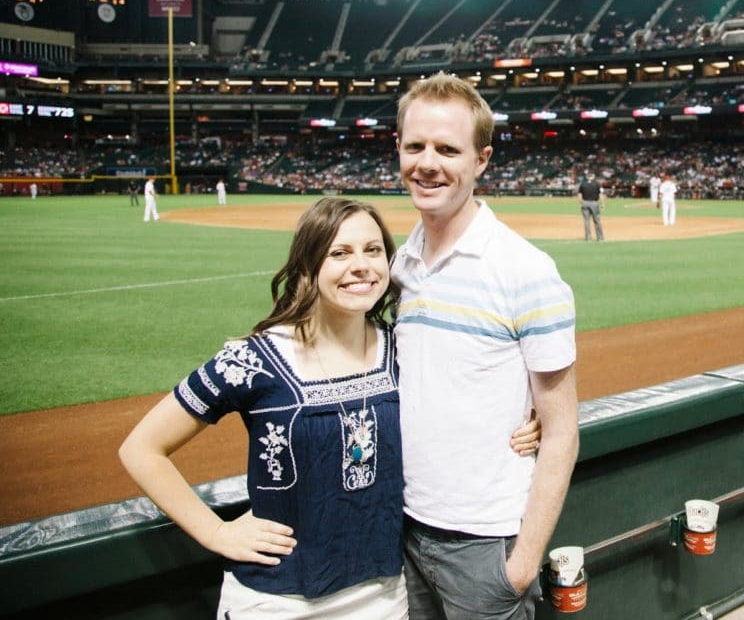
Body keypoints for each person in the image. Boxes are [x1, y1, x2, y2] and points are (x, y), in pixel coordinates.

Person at [118, 196, 544, 618]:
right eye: (339, 252)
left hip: (384, 596)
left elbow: (470, 394)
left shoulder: (404, 346)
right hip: (276, 601)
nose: (361, 265)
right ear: (309, 265)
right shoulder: (254, 359)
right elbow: (141, 448)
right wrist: (215, 530)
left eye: (373, 250)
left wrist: (531, 421)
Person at [391, 72, 579, 619]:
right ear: (397, 150)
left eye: (448, 149)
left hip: (484, 547)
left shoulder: (526, 271)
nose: (428, 163)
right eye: (415, 146)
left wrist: (519, 567)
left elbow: (563, 430)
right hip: (401, 531)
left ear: (481, 160)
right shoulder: (398, 266)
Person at [577, 171, 604, 242]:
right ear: (593, 176)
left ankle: (588, 238)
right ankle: (600, 237)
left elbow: (579, 195)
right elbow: (600, 195)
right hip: (594, 203)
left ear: (587, 176)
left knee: (586, 221)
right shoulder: (597, 184)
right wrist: (602, 204)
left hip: (585, 202)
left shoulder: (582, 184)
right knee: (597, 220)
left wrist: (581, 203)